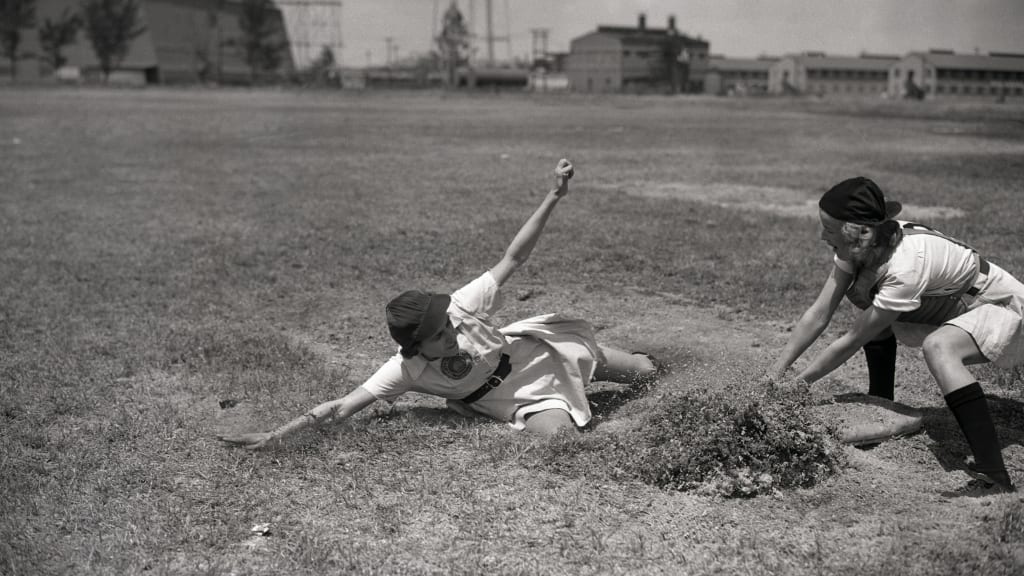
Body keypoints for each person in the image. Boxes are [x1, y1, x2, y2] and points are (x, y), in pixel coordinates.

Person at [219, 159, 662, 449]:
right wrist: (278, 437)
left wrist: (554, 196)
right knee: (564, 440)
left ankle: (652, 373)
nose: (449, 332)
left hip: (539, 354)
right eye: (438, 334)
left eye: (445, 325)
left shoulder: (462, 305)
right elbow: (342, 406)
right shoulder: (405, 371)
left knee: (644, 374)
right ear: (417, 347)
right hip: (511, 398)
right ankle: (603, 418)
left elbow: (514, 257)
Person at [763, 176, 1023, 493]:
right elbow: (819, 313)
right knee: (872, 305)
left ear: (858, 232)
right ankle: (880, 407)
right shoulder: (865, 245)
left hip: (1006, 310)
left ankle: (994, 474)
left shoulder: (906, 266)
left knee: (939, 348)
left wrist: (798, 385)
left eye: (829, 229)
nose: (822, 236)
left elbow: (853, 339)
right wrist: (776, 373)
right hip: (959, 304)